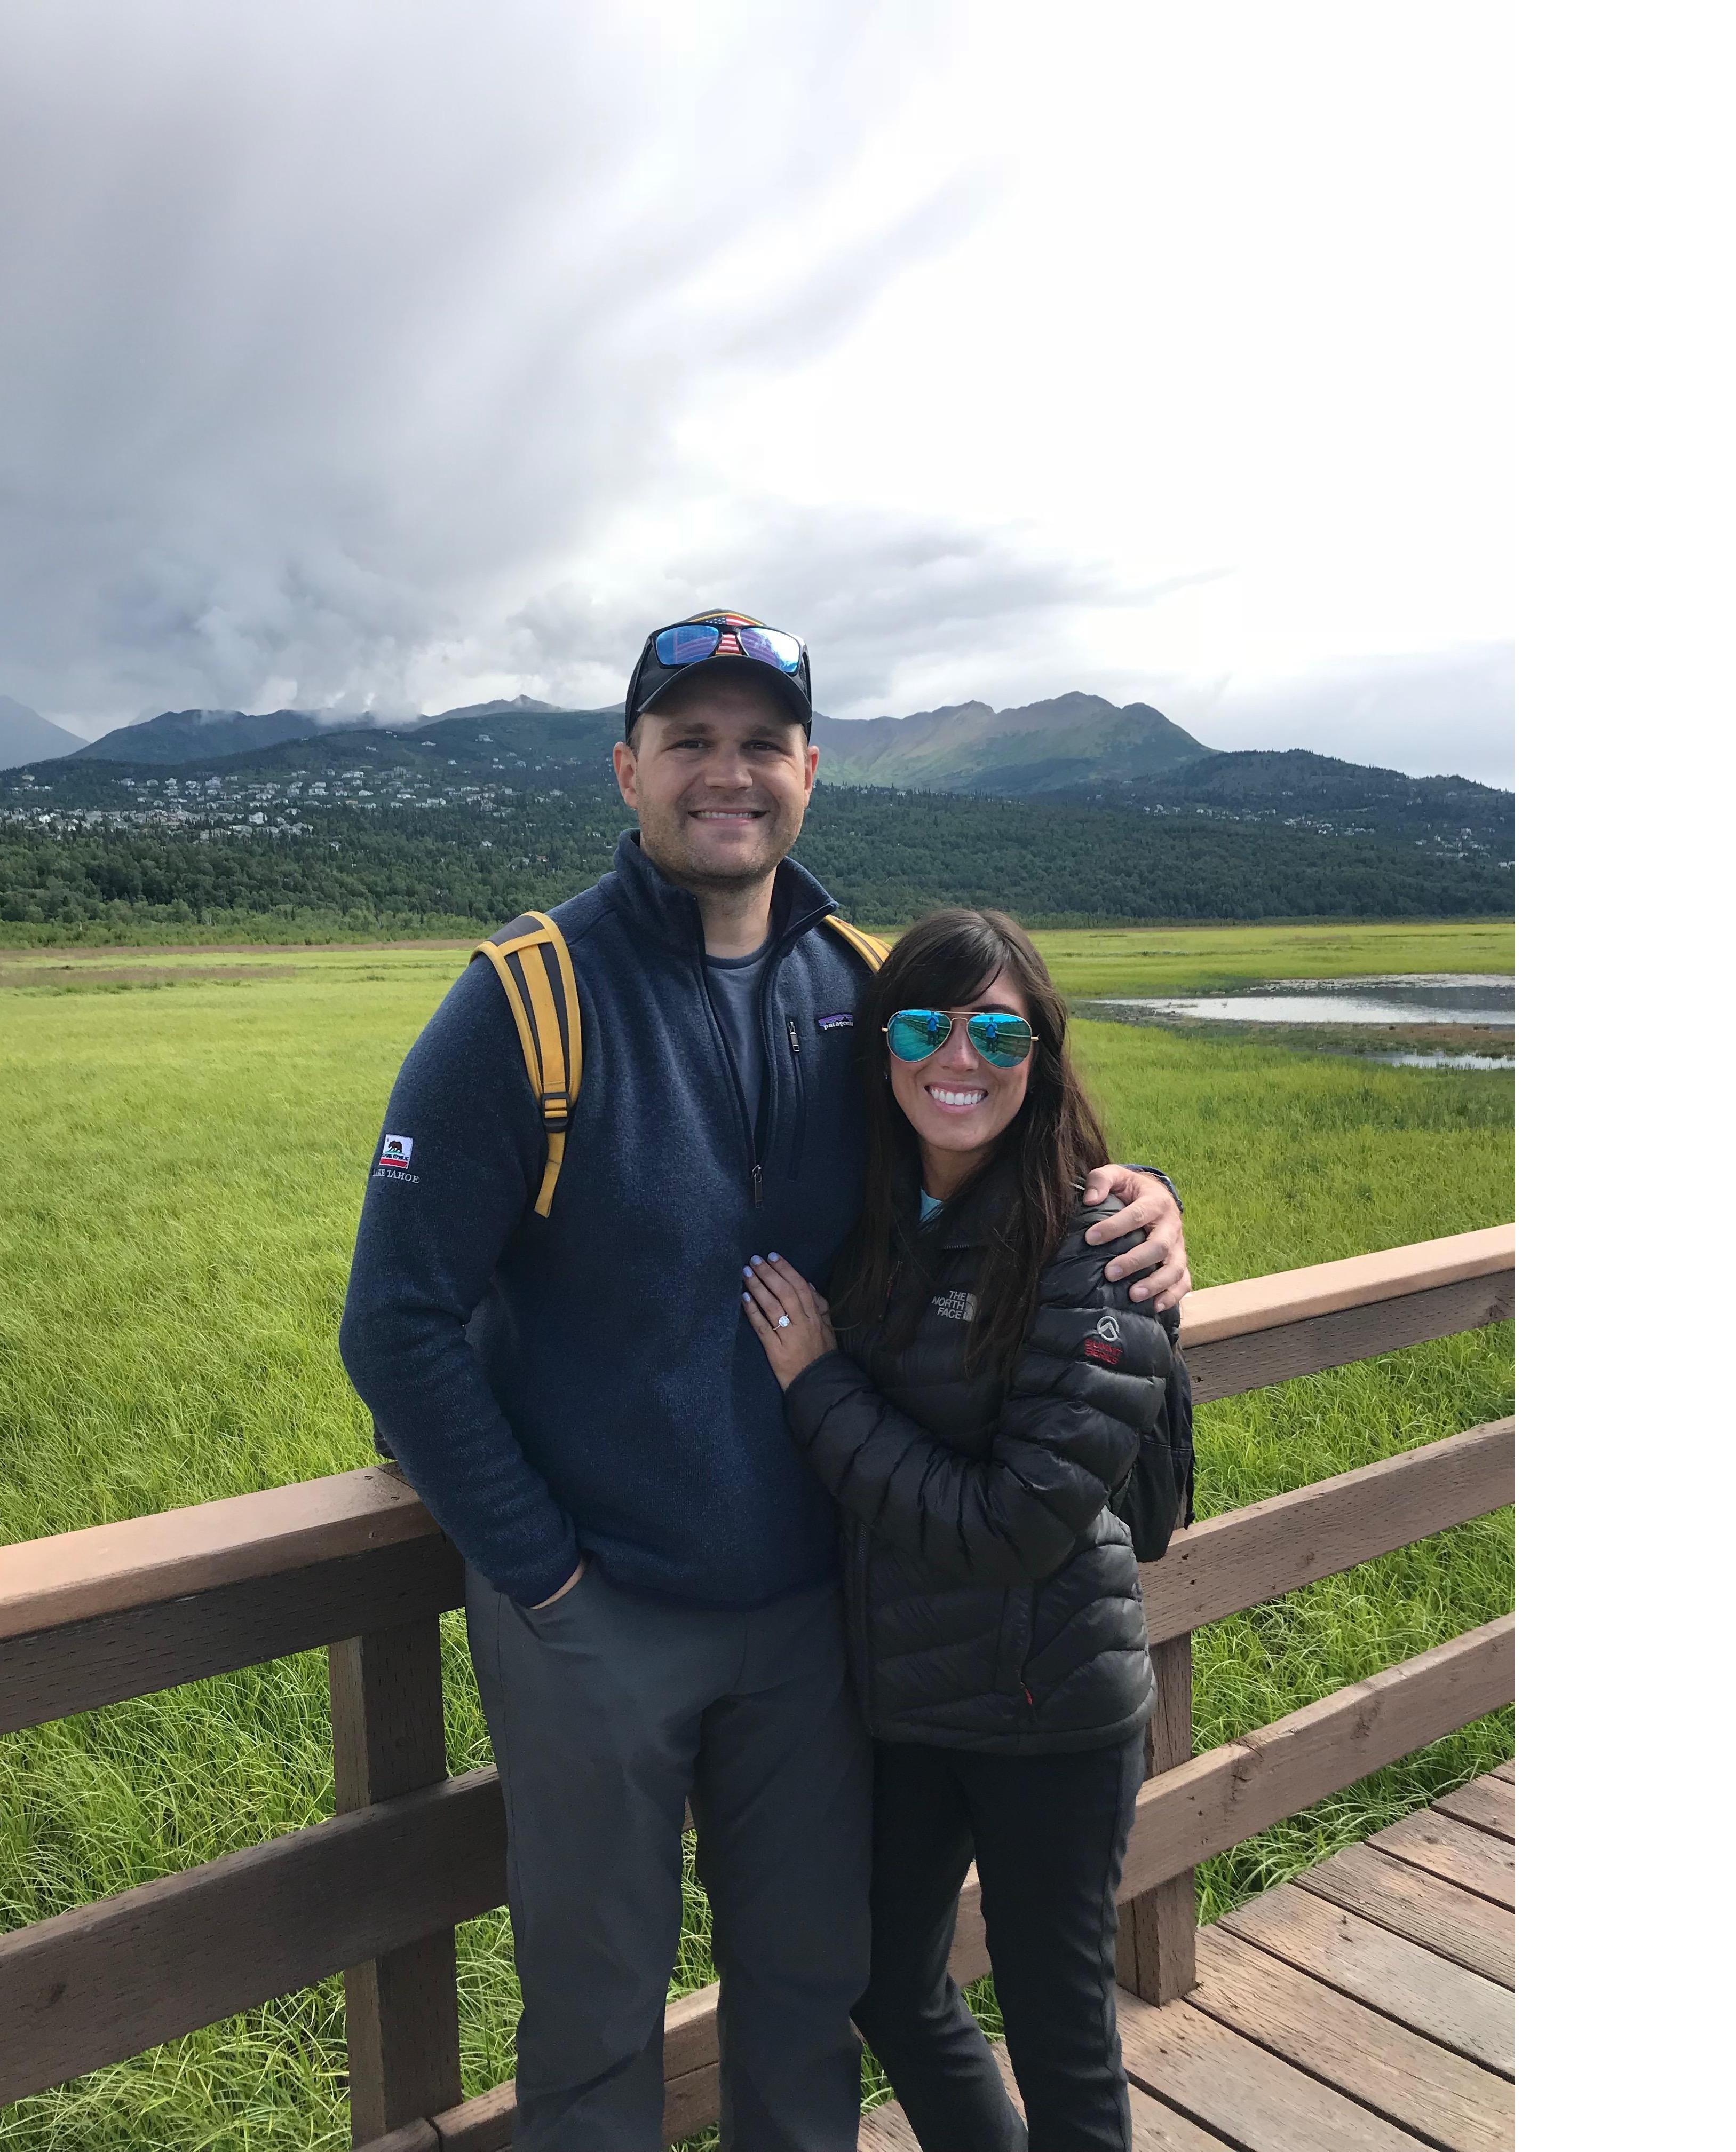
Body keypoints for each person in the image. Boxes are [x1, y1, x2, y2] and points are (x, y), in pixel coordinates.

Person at [340, 613, 1190, 2152]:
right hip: (594, 1616)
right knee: (595, 2026)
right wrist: (545, 1581)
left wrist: (1136, 1201)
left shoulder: (861, 995)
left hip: (814, 1622)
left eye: (761, 743)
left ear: (810, 772)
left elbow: (987, 1153)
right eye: (690, 742)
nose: (727, 774)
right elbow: (393, 1324)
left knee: (807, 1997)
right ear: (629, 770)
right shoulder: (524, 1003)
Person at [741, 906, 1184, 2152]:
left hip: (1049, 1708)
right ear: (880, 1048)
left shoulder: (1097, 1244)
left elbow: (1017, 1528)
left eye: (999, 1030)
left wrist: (817, 1387)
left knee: (1062, 2040)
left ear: (1040, 1053)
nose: (961, 1059)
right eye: (927, 1025)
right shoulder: (875, 1212)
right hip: (909, 1704)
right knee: (883, 1982)